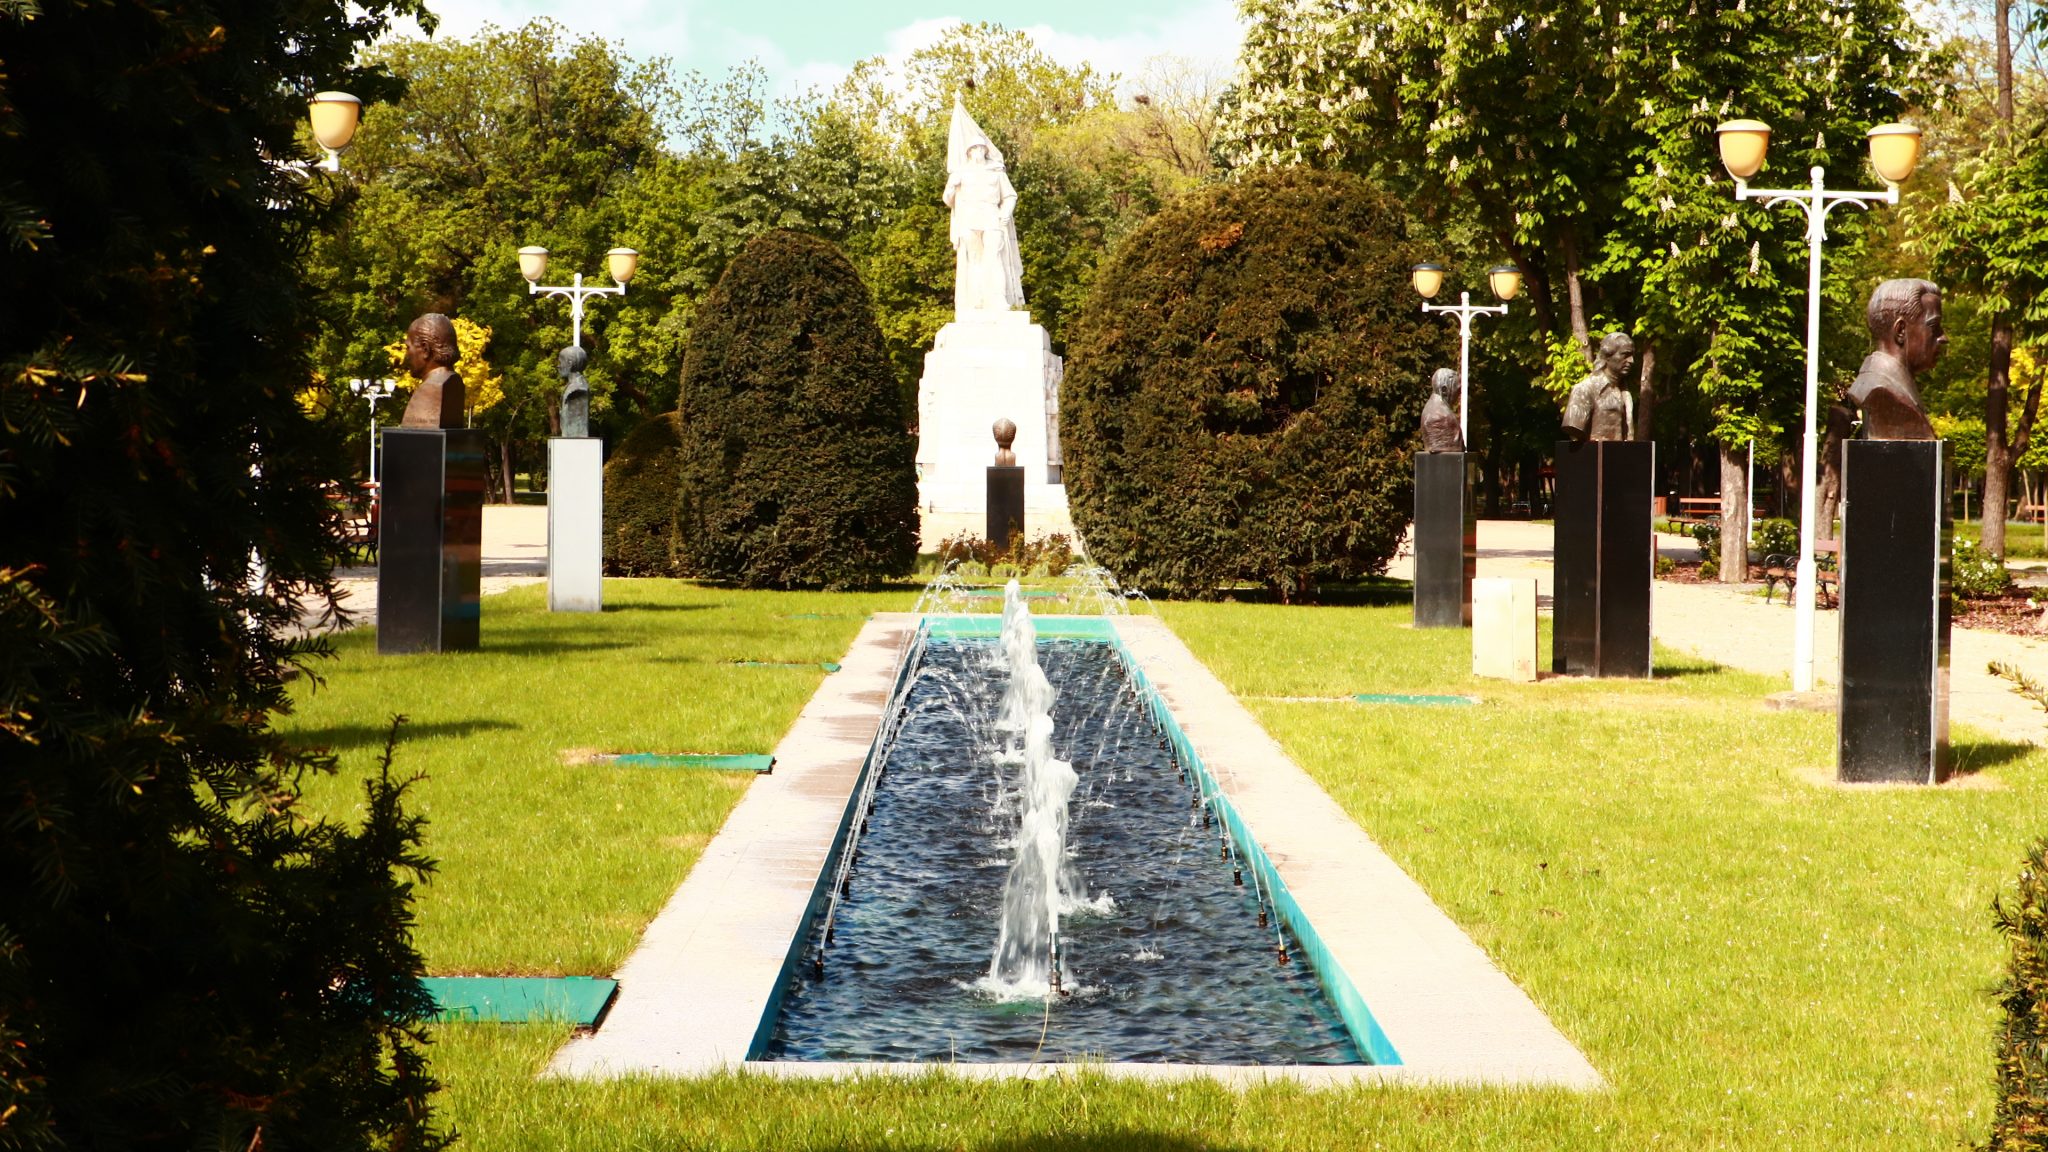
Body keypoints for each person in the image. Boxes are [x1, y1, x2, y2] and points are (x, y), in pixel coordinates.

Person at [943, 98, 1025, 315]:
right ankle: (977, 299)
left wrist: (1005, 211)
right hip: (970, 218)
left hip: (991, 215)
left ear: (986, 150)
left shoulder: (996, 171)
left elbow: (1010, 195)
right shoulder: (961, 173)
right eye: (974, 148)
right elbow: (948, 199)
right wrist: (951, 186)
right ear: (969, 152)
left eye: (981, 147)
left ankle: (997, 298)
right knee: (975, 259)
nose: (978, 151)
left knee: (994, 257)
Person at [1847, 279, 1945, 441]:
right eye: (1934, 327)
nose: (1943, 338)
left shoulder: (1893, 387)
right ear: (1901, 331)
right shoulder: (1880, 389)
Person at [1561, 332, 1636, 442]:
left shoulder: (1625, 392)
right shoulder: (1584, 389)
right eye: (1625, 355)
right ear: (1607, 356)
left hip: (1622, 452)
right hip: (1593, 452)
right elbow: (1573, 428)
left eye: (1632, 356)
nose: (1631, 361)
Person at [397, 313, 465, 429]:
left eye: (408, 348)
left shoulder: (434, 387)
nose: (406, 356)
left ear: (425, 350)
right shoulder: (454, 382)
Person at [1420, 368, 1464, 453]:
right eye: (1458, 390)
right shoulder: (1440, 417)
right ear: (1444, 390)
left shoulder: (1435, 409)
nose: (1459, 394)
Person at [557, 344, 590, 438]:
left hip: (575, 437)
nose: (558, 366)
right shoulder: (570, 386)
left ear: (570, 363)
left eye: (560, 362)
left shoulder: (578, 389)